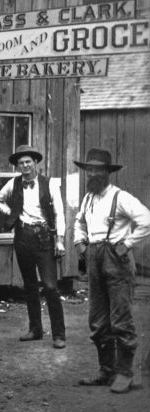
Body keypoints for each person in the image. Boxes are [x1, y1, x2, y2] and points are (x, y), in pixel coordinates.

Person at [73, 147, 150, 394]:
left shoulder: (121, 197)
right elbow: (79, 222)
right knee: (97, 321)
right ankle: (107, 371)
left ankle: (126, 373)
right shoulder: (88, 198)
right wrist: (80, 243)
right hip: (94, 258)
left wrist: (127, 244)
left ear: (108, 172)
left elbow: (146, 221)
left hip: (116, 261)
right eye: (89, 169)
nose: (93, 173)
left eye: (98, 169)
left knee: (121, 319)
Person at [0, 144, 67, 348]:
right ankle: (35, 330)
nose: (25, 165)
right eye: (21, 163)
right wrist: (12, 213)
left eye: (28, 162)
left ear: (35, 163)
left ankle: (59, 334)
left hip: (44, 237)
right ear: (18, 166)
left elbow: (60, 213)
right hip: (23, 237)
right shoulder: (13, 183)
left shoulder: (50, 184)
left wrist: (59, 239)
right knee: (30, 285)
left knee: (51, 287)